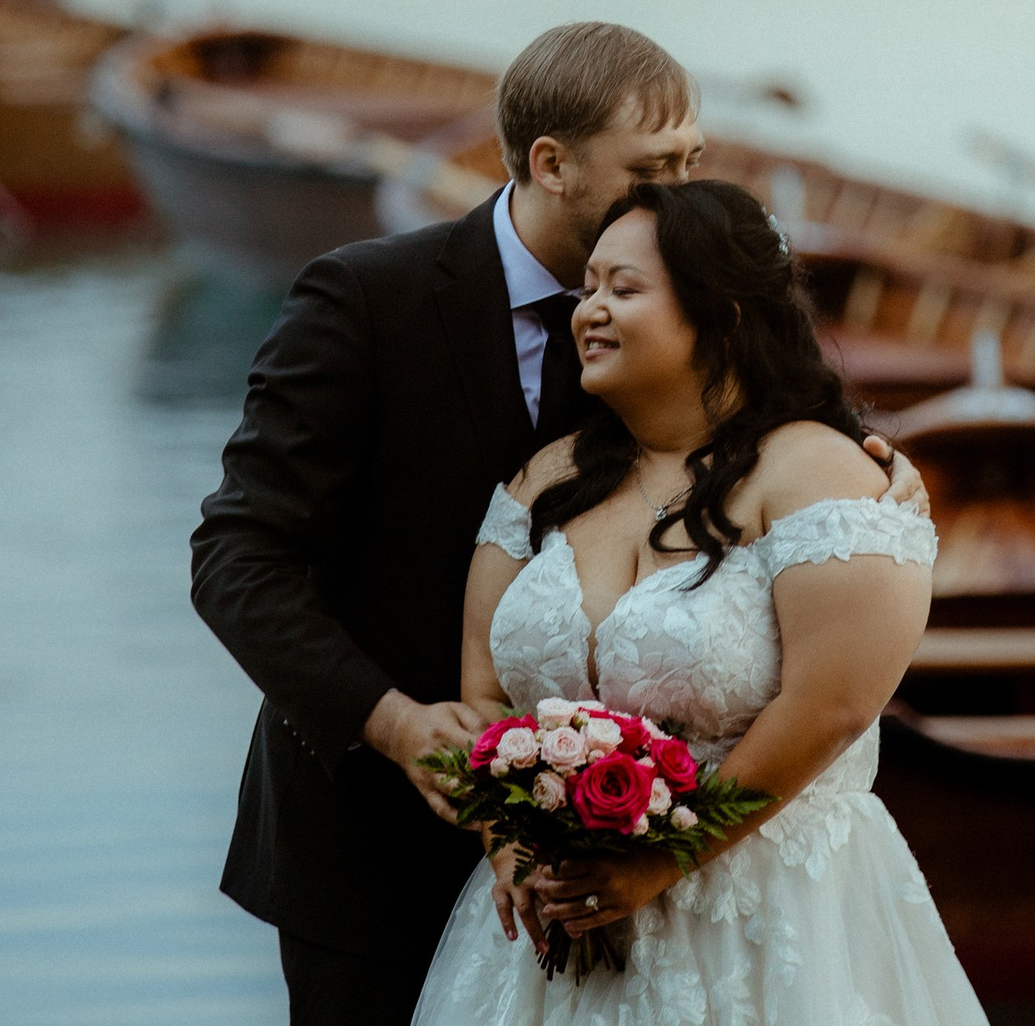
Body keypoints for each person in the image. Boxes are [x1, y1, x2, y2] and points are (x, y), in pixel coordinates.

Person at [189, 22, 921, 1026]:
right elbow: (236, 560)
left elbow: (748, 430)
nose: (676, 189)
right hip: (374, 843)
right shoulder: (365, 300)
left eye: (692, 162)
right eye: (651, 166)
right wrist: (397, 722)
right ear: (552, 163)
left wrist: (858, 468)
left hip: (654, 847)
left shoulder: (669, 308)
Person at [413, 179, 987, 1025]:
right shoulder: (549, 478)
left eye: (625, 288)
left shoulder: (819, 476)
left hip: (765, 916)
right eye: (589, 288)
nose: (589, 311)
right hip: (551, 929)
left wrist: (660, 864)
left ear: (722, 314)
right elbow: (485, 688)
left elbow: (830, 706)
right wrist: (510, 845)